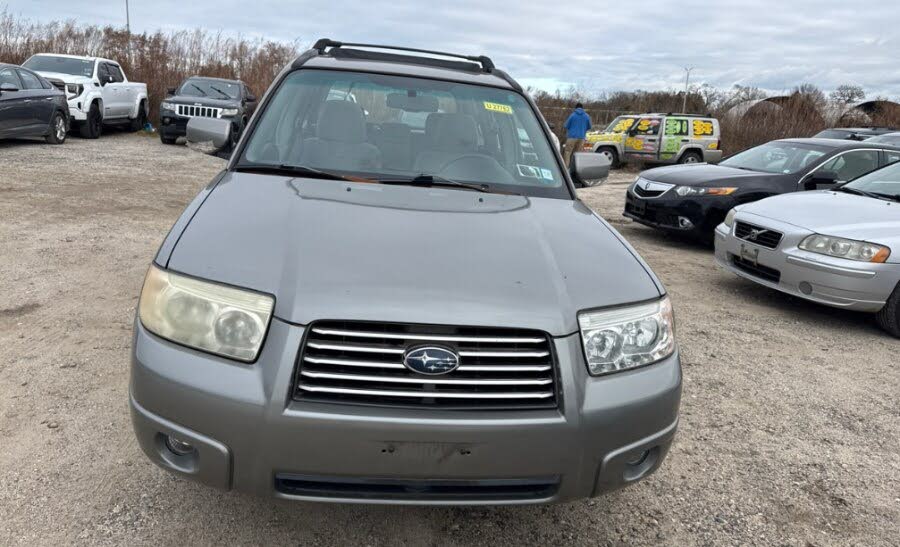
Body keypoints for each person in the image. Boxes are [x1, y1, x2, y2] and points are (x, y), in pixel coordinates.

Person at [563, 102, 592, 168]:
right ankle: (575, 168)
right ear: (582, 108)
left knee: (567, 152)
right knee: (577, 154)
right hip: (581, 138)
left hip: (571, 137)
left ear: (576, 108)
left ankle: (566, 168)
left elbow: (566, 125)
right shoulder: (587, 116)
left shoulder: (572, 115)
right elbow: (589, 127)